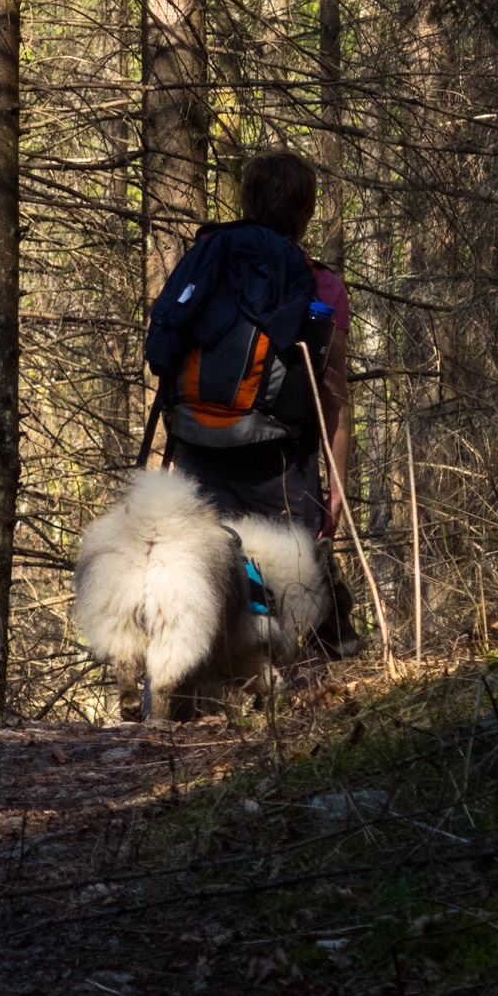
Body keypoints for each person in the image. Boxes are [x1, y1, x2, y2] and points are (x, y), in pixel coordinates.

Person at [160, 150, 361, 655]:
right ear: (307, 212)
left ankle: (193, 706)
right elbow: (333, 395)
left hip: (200, 449)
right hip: (281, 461)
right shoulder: (322, 284)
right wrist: (335, 488)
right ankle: (295, 709)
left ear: (246, 201)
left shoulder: (209, 262)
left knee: (207, 586)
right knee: (295, 593)